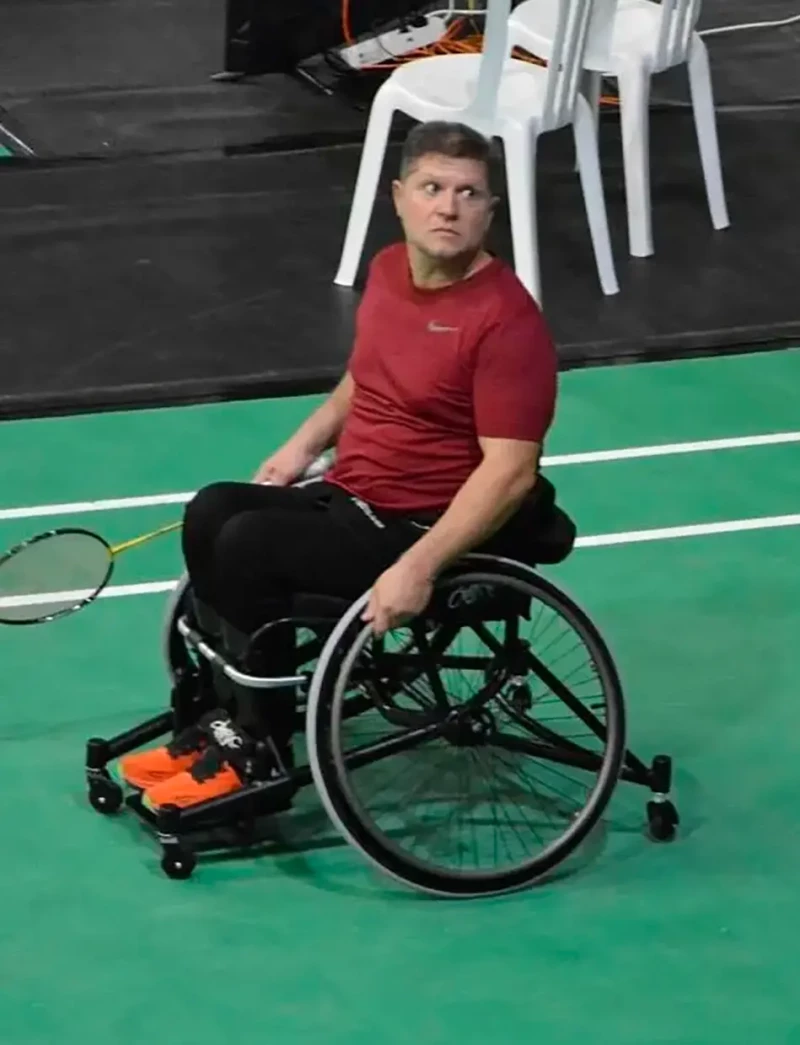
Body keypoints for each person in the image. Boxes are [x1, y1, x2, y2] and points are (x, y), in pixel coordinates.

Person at [117, 119, 572, 811]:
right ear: (399, 196)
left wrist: (418, 566)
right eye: (432, 188)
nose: (447, 207)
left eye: (468, 193)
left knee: (250, 545)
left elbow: (510, 470)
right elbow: (367, 378)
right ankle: (220, 720)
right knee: (214, 508)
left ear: (490, 209)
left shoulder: (506, 322)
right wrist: (301, 447)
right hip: (355, 493)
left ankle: (257, 749)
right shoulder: (389, 269)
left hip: (420, 522)